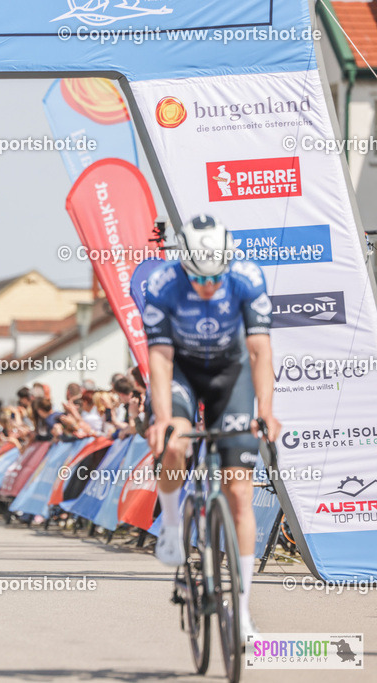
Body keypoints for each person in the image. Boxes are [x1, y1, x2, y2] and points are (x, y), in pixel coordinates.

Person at [143, 214, 281, 634]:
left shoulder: (247, 277)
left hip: (229, 374)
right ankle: (169, 527)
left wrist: (266, 410)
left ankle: (240, 610)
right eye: (199, 280)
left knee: (239, 491)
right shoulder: (161, 285)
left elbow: (260, 353)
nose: (209, 287)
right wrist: (165, 419)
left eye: (215, 278)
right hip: (182, 371)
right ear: (183, 265)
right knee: (174, 444)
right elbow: (161, 360)